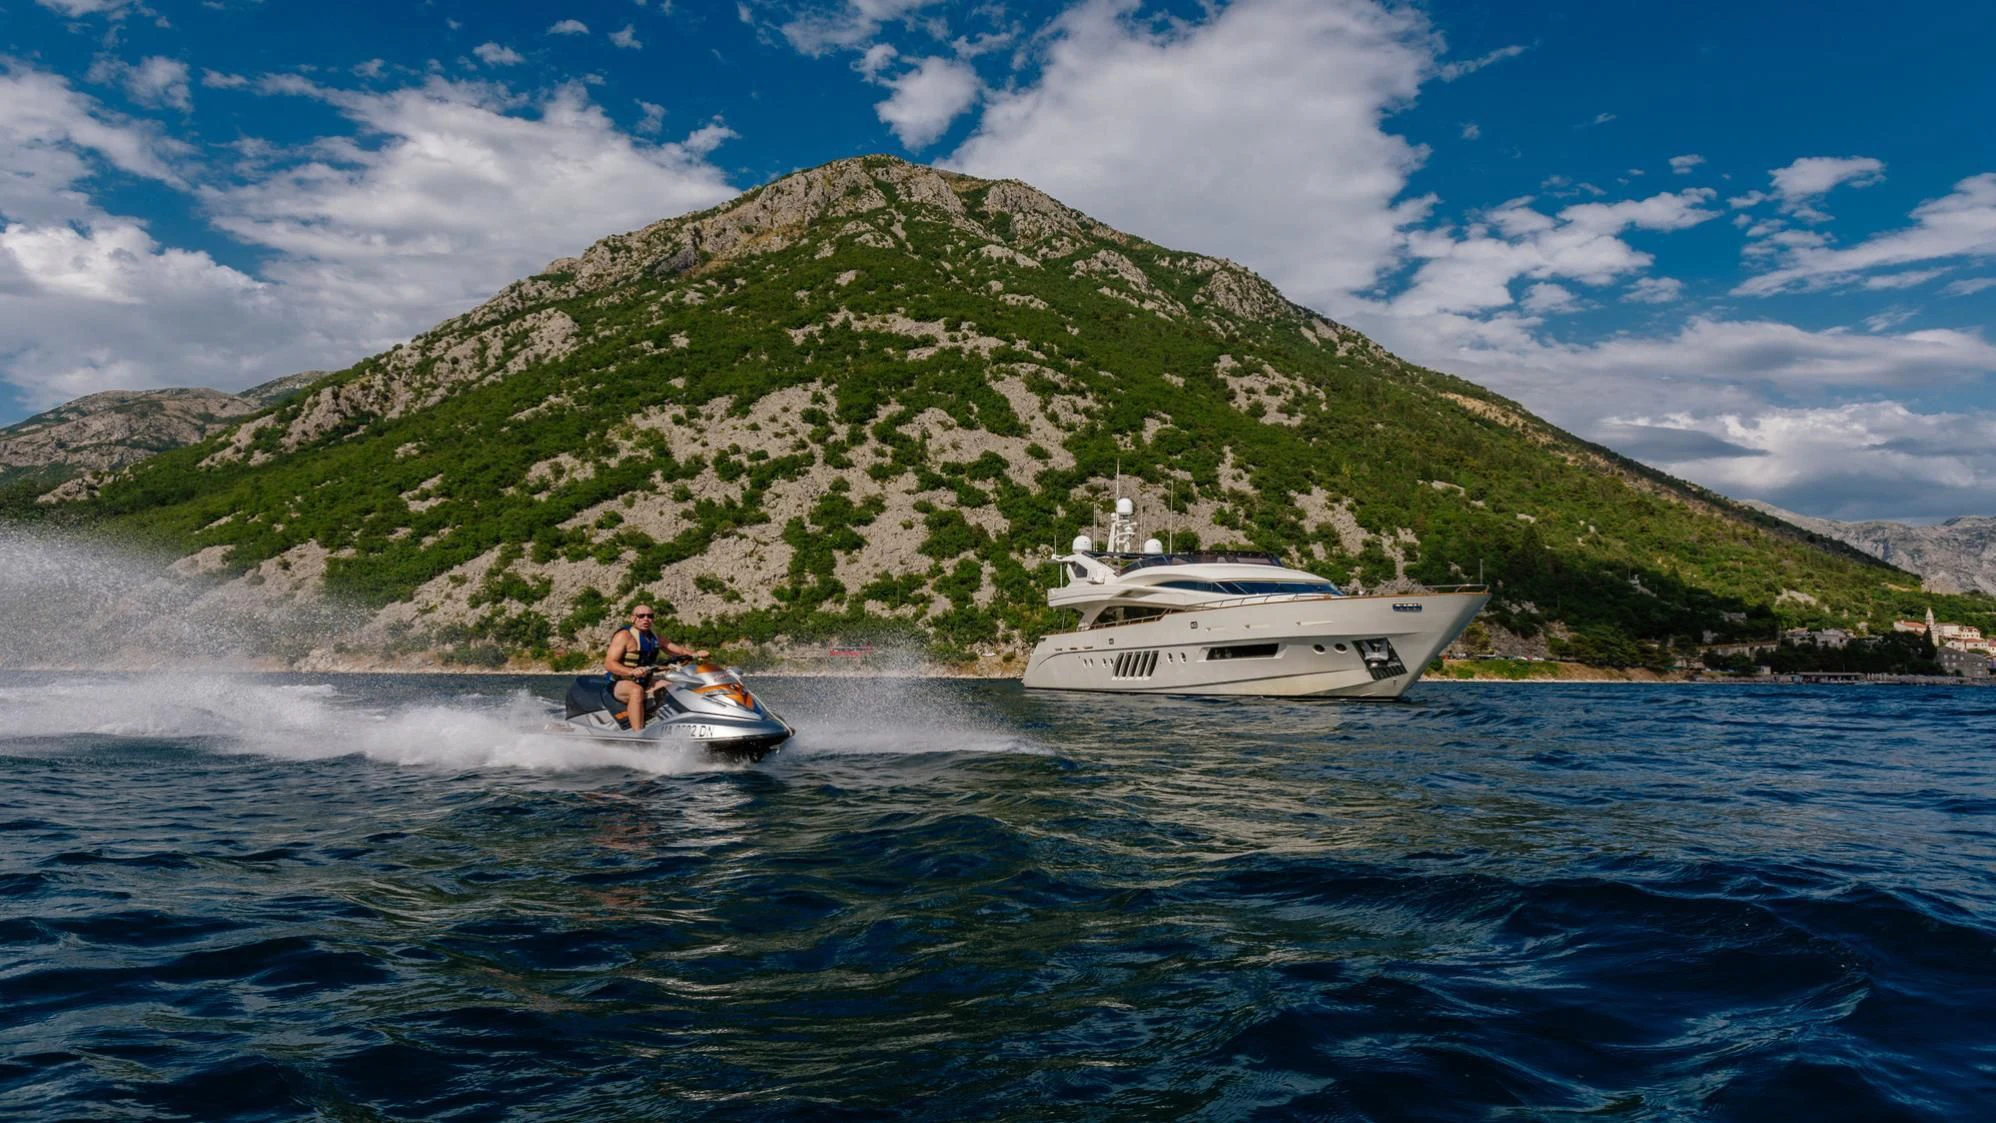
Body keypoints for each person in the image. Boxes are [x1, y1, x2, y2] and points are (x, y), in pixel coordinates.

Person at [604, 605, 708, 731]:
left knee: (671, 687)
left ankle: (667, 725)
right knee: (636, 691)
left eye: (650, 616)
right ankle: (638, 734)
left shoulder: (655, 637)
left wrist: (695, 654)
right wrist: (631, 671)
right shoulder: (624, 636)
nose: (646, 619)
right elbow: (609, 664)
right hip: (620, 682)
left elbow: (677, 650)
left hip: (645, 681)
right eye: (641, 616)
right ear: (633, 618)